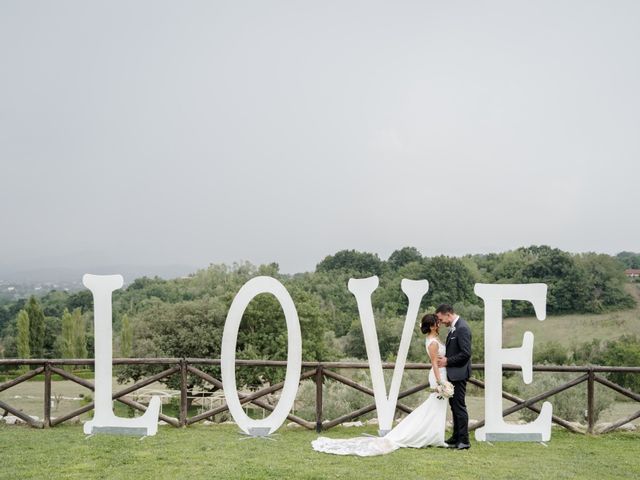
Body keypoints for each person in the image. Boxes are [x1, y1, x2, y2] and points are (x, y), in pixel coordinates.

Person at [311, 314, 448, 456]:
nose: (440, 324)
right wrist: (439, 382)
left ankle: (434, 435)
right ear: (432, 326)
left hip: (442, 373)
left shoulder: (434, 339)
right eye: (438, 322)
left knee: (437, 406)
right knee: (434, 405)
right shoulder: (432, 343)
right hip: (438, 375)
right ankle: (423, 435)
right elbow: (434, 363)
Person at [435, 303, 472, 450]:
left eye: (440, 318)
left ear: (448, 314)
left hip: (459, 374)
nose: (440, 321)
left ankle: (464, 440)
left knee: (459, 407)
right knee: (454, 407)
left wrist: (447, 361)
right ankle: (456, 437)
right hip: (453, 374)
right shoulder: (453, 329)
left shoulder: (462, 328)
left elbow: (465, 353)